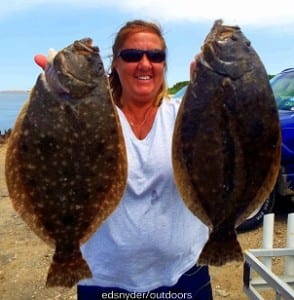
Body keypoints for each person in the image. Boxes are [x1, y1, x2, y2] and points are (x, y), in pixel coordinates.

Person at [35, 19, 213, 300]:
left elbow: (222, 160)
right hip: (104, 278)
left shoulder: (187, 116)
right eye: (132, 55)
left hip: (183, 273)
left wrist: (209, 98)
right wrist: (53, 98)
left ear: (164, 64)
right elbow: (47, 158)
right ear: (114, 64)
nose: (145, 64)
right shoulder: (86, 115)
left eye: (155, 56)